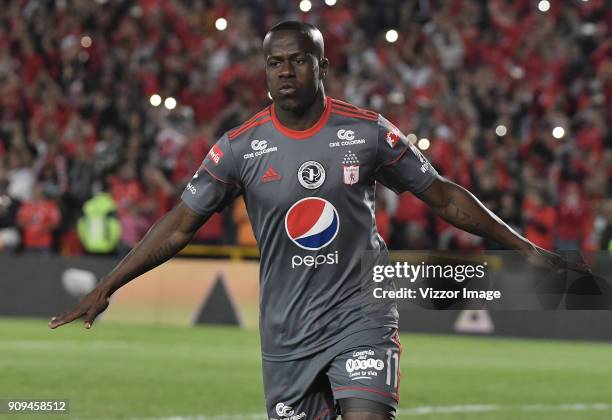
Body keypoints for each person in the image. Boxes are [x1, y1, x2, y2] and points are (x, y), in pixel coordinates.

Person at [49, 21, 590, 420]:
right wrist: (110, 284)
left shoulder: (370, 132)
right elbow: (179, 226)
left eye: (299, 60)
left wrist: (525, 249)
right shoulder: (241, 148)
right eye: (276, 63)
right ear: (265, 73)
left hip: (362, 315)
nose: (286, 71)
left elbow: (445, 199)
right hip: (287, 332)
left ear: (321, 66)